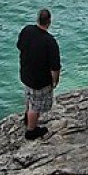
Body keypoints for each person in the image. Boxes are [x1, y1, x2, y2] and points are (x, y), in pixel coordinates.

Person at [17, 8, 61, 141]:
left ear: (38, 19)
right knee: (36, 106)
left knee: (29, 97)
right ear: (49, 22)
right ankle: (31, 130)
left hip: (26, 74)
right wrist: (55, 81)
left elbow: (19, 46)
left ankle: (27, 117)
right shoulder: (50, 41)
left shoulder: (27, 30)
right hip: (40, 81)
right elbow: (55, 67)